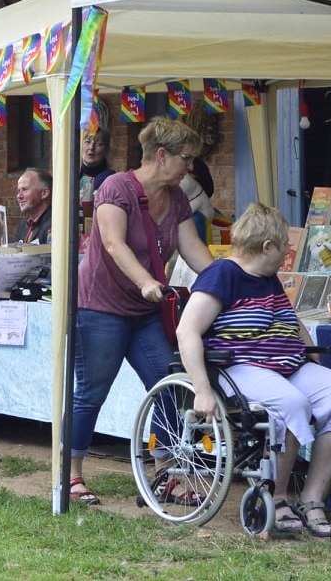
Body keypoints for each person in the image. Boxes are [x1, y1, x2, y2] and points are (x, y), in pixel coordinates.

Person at [176, 202, 331, 538]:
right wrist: (202, 389)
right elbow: (187, 330)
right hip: (240, 367)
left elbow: (292, 322)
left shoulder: (268, 278)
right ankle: (278, 499)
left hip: (287, 366)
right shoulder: (223, 275)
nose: (287, 254)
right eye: (285, 247)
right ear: (267, 247)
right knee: (292, 403)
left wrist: (313, 362)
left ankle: (312, 499)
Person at [68, 118, 216, 506]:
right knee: (91, 392)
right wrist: (146, 282)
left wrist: (227, 278)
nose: (191, 167)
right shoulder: (115, 187)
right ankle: (71, 474)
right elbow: (114, 244)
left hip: (146, 310)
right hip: (101, 306)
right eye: (187, 159)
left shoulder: (177, 197)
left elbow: (192, 248)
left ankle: (165, 474)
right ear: (162, 155)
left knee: (169, 385)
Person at [13, 168, 52, 245]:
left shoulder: (55, 224)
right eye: (18, 191)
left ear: (44, 193)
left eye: (24, 189)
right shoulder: (23, 225)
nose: (19, 196)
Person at [78, 130, 116, 206]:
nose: (91, 147)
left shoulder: (111, 180)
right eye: (88, 142)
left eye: (99, 144)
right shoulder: (71, 176)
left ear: (107, 150)